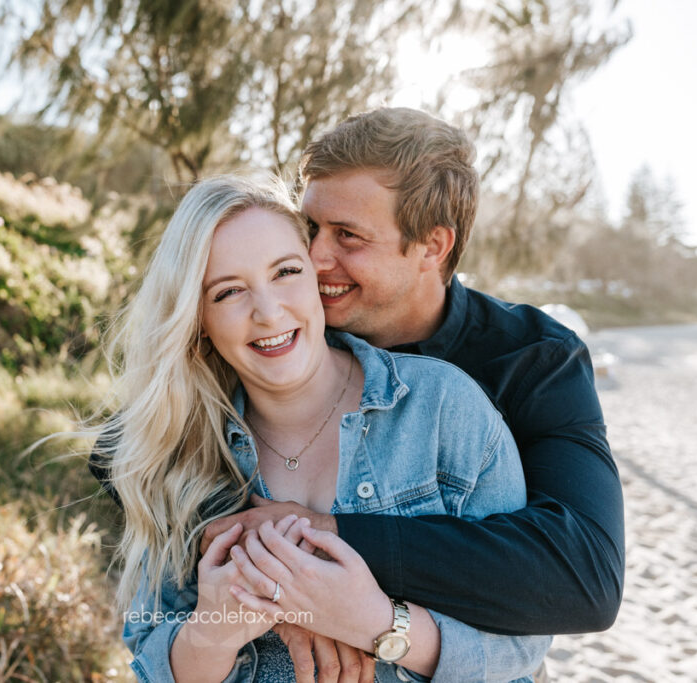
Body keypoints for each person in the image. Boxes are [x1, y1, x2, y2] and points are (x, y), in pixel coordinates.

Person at [199, 107, 625, 671]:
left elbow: (583, 574)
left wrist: (323, 542)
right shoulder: (278, 330)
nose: (315, 256)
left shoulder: (532, 357)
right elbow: (124, 450)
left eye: (347, 236)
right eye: (310, 229)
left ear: (432, 246)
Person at [100, 174, 550, 681]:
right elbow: (147, 649)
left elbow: (525, 643)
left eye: (286, 272)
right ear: (198, 317)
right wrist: (216, 628)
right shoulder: (181, 451)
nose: (269, 313)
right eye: (228, 292)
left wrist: (378, 624)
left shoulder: (442, 409)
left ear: (317, 275)